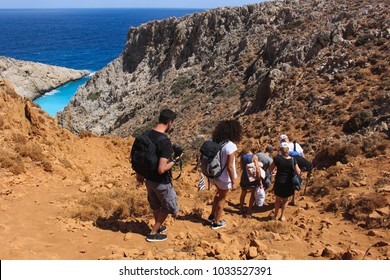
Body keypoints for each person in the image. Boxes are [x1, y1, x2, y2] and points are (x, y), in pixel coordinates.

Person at [135, 109, 181, 242]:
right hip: (161, 182)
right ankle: (153, 233)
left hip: (148, 179)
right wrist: (174, 161)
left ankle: (158, 226)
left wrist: (140, 175)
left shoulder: (146, 134)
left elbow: (139, 157)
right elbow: (162, 169)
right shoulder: (165, 142)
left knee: (155, 204)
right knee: (168, 206)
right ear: (170, 122)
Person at [207, 119, 243, 230]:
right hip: (223, 177)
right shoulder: (230, 146)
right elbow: (230, 166)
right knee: (222, 198)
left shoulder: (214, 140)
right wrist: (233, 181)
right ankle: (216, 222)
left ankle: (211, 215)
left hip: (213, 174)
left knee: (218, 195)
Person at [269, 142, 301, 221]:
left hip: (279, 181)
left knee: (277, 200)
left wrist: (275, 172)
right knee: (285, 200)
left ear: (280, 150)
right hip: (288, 182)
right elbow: (298, 171)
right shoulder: (293, 159)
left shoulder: (277, 159)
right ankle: (282, 216)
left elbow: (270, 169)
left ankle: (275, 216)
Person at [239, 139, 261, 217]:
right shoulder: (254, 157)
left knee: (243, 193)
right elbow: (258, 169)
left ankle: (241, 209)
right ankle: (249, 211)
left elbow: (241, 167)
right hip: (252, 179)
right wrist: (259, 178)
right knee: (252, 194)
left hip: (244, 177)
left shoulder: (242, 156)